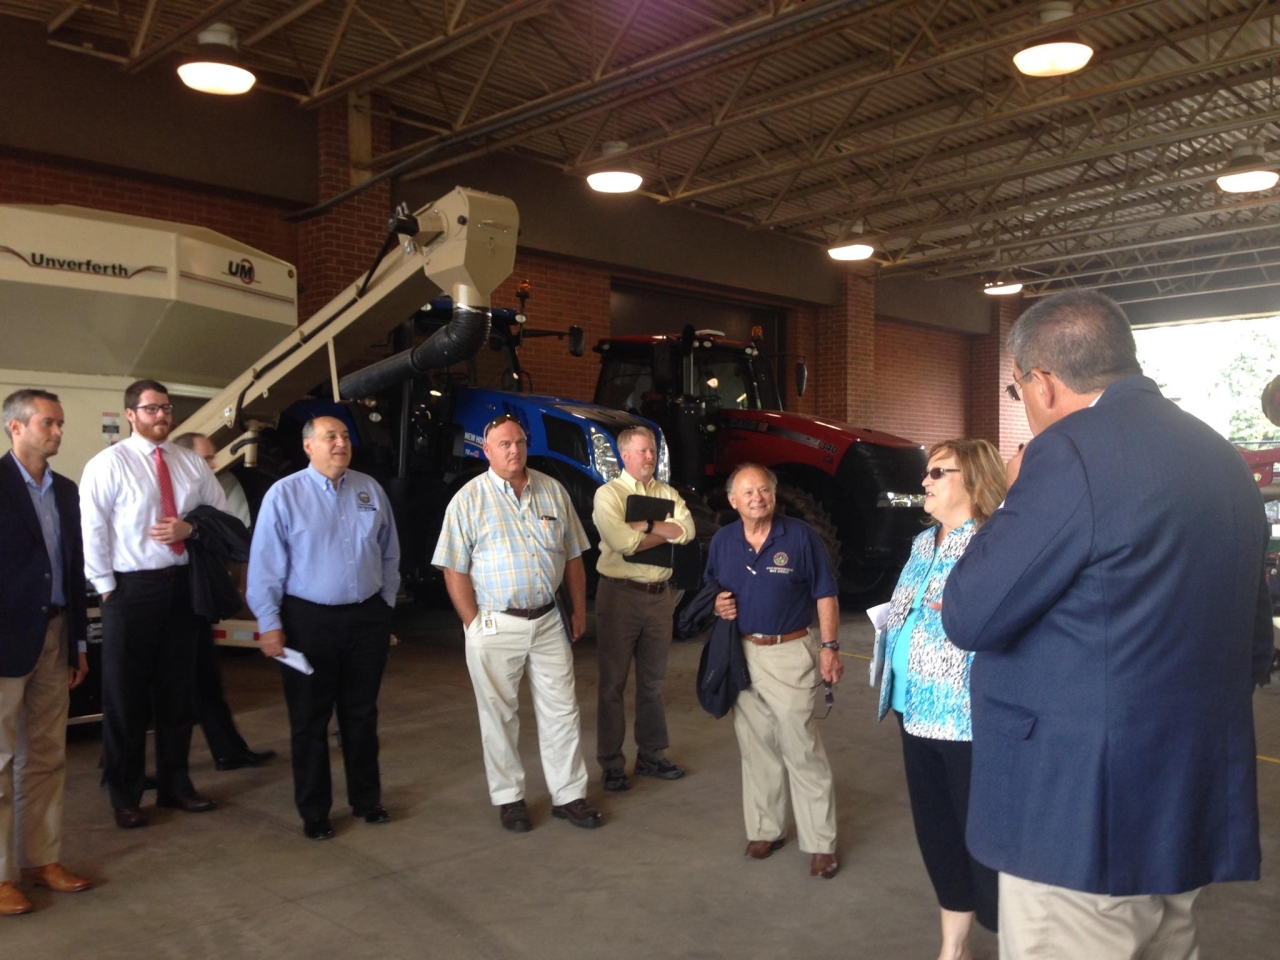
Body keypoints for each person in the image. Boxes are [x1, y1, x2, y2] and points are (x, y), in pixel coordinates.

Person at [942, 290, 1274, 959]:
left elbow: (972, 612)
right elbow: (1253, 641)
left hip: (1081, 815)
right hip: (1183, 797)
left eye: (1017, 389)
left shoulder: (1067, 454)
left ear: (1043, 381)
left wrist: (1005, 502)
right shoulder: (1218, 455)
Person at [432, 414, 602, 832]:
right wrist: (473, 623)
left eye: (520, 442)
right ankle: (509, 799)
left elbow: (575, 556)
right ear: (485, 451)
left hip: (548, 620)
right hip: (495, 623)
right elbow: (454, 568)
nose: (514, 450)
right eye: (504, 444)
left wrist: (579, 610)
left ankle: (569, 795)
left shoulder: (553, 491)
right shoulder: (469, 500)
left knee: (562, 710)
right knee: (499, 715)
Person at [876, 439, 1006, 959]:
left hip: (967, 720)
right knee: (938, 837)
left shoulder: (992, 545)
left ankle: (1014, 940)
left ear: (972, 480)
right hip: (913, 711)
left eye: (937, 472)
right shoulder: (923, 542)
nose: (925, 481)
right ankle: (953, 949)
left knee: (985, 845)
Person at [80, 379, 228, 828]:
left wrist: (191, 530)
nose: (161, 416)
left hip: (182, 587)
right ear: (130, 414)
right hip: (130, 590)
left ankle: (175, 785)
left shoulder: (188, 463)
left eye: (165, 408)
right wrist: (107, 587)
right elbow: (93, 528)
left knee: (176, 692)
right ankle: (124, 795)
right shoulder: (108, 464)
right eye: (150, 409)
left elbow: (221, 514)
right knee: (125, 697)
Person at [246, 417, 400, 841]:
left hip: (365, 618)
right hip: (307, 622)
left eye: (345, 437)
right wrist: (270, 624)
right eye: (330, 437)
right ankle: (315, 811)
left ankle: (367, 800)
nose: (340, 444)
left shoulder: (369, 489)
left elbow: (390, 554)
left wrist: (383, 607)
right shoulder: (285, 495)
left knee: (362, 715)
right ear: (308, 446)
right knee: (309, 721)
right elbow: (265, 567)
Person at [705, 463, 843, 880]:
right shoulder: (724, 541)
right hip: (740, 652)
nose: (756, 498)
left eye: (763, 490)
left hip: (789, 651)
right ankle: (767, 829)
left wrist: (830, 647)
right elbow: (711, 588)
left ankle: (821, 843)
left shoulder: (799, 536)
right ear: (733, 500)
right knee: (756, 745)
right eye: (747, 492)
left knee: (799, 745)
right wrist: (717, 605)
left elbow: (826, 593)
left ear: (774, 494)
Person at [0, 390, 92, 915]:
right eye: (47, 423)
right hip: (5, 639)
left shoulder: (66, 491)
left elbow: (72, 568)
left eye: (59, 423)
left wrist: (78, 642)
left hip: (56, 636)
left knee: (47, 755)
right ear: (15, 427)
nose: (57, 431)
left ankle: (40, 859)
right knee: (1, 757)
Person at [591, 426, 696, 792]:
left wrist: (646, 524)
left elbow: (688, 530)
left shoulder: (667, 493)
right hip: (620, 596)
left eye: (652, 451)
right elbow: (622, 543)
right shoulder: (609, 494)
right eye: (643, 451)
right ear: (625, 456)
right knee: (613, 684)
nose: (650, 457)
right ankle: (612, 764)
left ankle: (651, 754)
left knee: (652, 683)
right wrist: (663, 529)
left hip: (659, 596)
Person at [170, 433, 275, 772]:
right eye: (207, 458)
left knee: (206, 679)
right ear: (184, 459)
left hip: (197, 598)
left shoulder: (209, 493)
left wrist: (199, 530)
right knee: (174, 685)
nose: (214, 464)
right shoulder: (168, 497)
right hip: (173, 599)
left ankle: (229, 750)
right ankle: (130, 767)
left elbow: (234, 538)